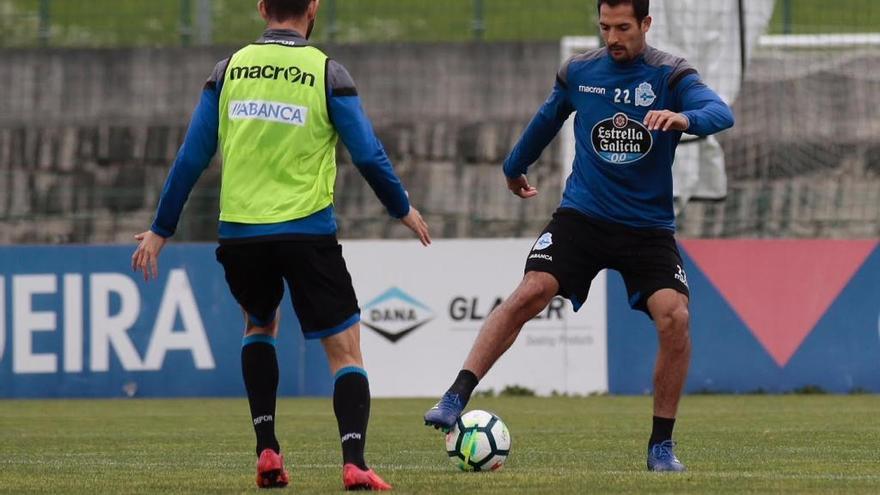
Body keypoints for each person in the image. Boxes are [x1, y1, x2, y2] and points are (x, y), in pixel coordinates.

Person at [424, 0, 733, 473]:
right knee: (531, 291)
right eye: (605, 26)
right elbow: (548, 119)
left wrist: (685, 119)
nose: (613, 37)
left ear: (646, 24)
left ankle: (661, 447)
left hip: (647, 228)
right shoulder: (580, 72)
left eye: (624, 27)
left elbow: (720, 111)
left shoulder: (671, 75)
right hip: (583, 217)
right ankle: (454, 396)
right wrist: (513, 167)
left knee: (675, 318)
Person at [132, 0, 430, 489]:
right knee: (345, 350)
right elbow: (369, 156)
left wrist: (162, 229)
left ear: (261, 7)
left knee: (259, 325)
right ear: (313, 7)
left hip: (241, 236)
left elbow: (191, 157)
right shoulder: (327, 73)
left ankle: (267, 449)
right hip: (307, 232)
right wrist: (401, 208)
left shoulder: (226, 71)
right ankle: (353, 461)